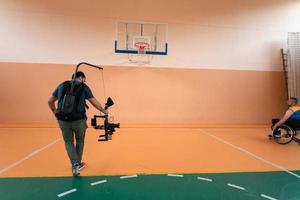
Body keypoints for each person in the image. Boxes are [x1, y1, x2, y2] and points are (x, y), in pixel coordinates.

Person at [48, 71, 107, 176]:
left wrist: (55, 113)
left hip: (63, 120)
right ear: (81, 77)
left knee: (68, 141)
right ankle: (77, 164)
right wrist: (103, 110)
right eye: (84, 79)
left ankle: (74, 163)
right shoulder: (84, 87)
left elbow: (50, 101)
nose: (85, 81)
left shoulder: (62, 85)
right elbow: (93, 101)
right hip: (79, 120)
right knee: (80, 141)